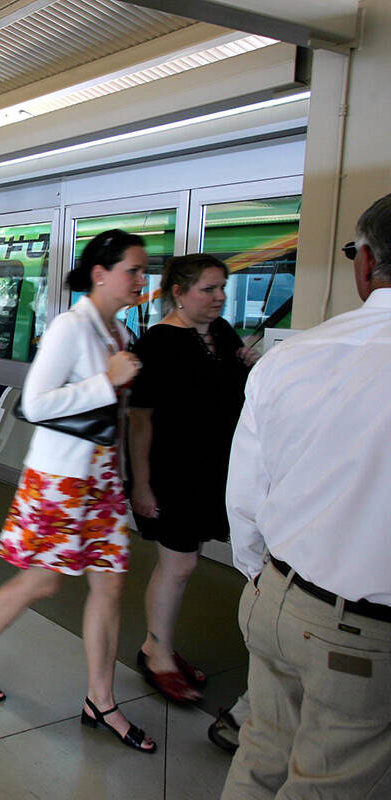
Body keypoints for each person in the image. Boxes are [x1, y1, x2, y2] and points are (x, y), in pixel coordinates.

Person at [0, 230, 155, 754]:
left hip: (102, 479)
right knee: (44, 583)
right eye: (133, 269)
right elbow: (36, 404)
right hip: (60, 480)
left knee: (109, 586)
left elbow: (115, 414)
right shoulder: (71, 326)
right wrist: (105, 382)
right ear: (101, 273)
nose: (141, 279)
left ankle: (100, 700)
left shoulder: (118, 333)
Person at [222, 194, 391, 799]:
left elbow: (245, 491)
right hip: (364, 633)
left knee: (263, 751)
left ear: (365, 264)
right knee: (327, 784)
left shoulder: (290, 356)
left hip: (276, 599)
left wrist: (263, 578)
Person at [128, 254, 256, 703]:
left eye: (222, 287)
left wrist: (252, 362)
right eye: (208, 289)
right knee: (178, 563)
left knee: (189, 560)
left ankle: (158, 644)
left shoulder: (220, 334)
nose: (219, 297)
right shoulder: (158, 344)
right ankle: (156, 651)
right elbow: (140, 421)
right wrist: (141, 485)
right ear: (178, 293)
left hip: (215, 469)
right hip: (173, 471)